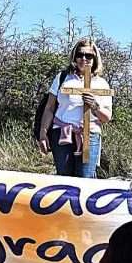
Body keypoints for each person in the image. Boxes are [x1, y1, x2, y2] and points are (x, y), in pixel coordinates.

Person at [37, 38, 112, 178]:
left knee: (85, 178)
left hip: (89, 135)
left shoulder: (102, 84)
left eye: (89, 55)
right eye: (80, 54)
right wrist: (43, 134)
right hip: (62, 133)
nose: (84, 58)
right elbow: (49, 108)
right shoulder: (63, 78)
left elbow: (107, 117)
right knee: (64, 178)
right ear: (74, 56)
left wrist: (95, 106)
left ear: (95, 58)